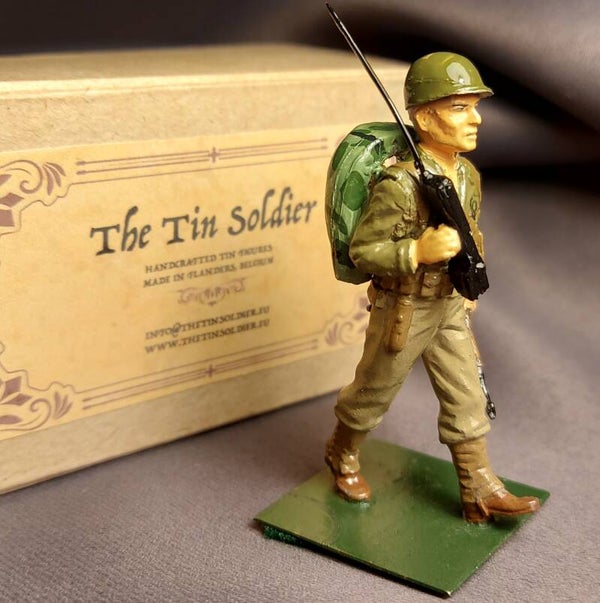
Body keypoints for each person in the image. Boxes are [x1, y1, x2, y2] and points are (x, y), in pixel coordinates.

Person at [325, 52, 540, 523]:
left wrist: (467, 283)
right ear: (424, 118)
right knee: (373, 393)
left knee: (466, 395)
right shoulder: (400, 185)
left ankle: (479, 488)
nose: (476, 119)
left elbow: (472, 230)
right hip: (405, 307)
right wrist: (416, 251)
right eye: (460, 108)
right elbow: (364, 251)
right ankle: (342, 454)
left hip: (449, 304)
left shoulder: (466, 175)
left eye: (475, 107)